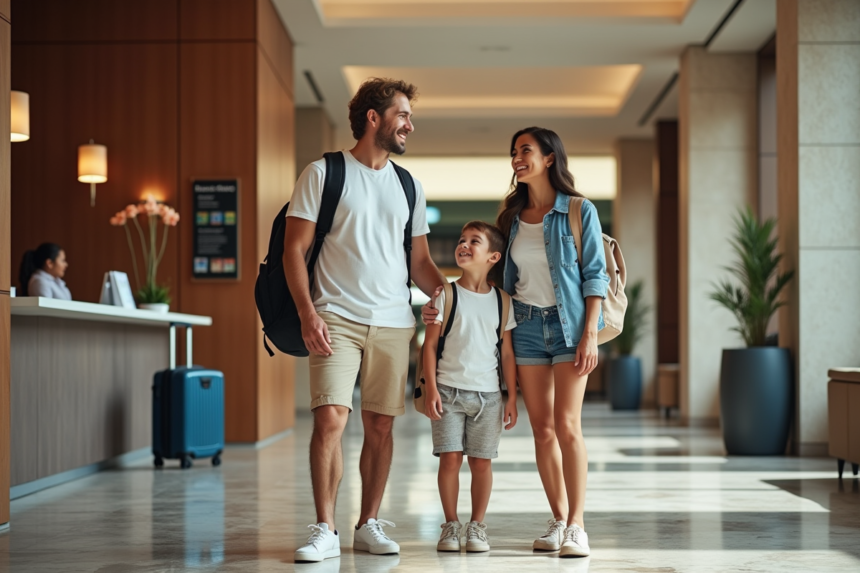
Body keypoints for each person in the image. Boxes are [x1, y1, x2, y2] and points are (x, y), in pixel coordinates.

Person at [423, 127, 609, 558]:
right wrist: (441, 303)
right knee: (542, 430)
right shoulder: (509, 218)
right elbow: (490, 280)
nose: (516, 158)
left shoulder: (580, 211)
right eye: (513, 152)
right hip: (523, 325)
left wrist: (590, 334)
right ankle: (559, 519)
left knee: (567, 426)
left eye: (525, 150)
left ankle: (578, 526)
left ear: (549, 158)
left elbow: (594, 275)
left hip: (569, 326)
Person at [284, 78, 446, 563]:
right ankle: (325, 528)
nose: (409, 126)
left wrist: (453, 295)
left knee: (380, 426)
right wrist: (307, 312)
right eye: (402, 115)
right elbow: (295, 248)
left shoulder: (408, 184)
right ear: (373, 118)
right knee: (330, 419)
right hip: (335, 316)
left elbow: (419, 261)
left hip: (395, 321)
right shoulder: (323, 173)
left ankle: (368, 523)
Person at [422, 221, 517, 554]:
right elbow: (429, 346)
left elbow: (506, 352)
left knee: (481, 463)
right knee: (449, 459)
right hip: (448, 392)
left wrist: (511, 397)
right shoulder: (446, 294)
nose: (463, 245)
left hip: (489, 397)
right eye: (461, 240)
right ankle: (450, 524)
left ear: (493, 256)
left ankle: (477, 526)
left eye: (473, 241)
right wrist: (431, 389)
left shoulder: (503, 301)